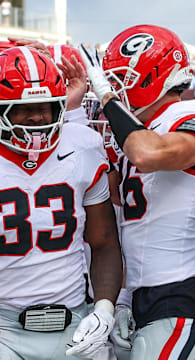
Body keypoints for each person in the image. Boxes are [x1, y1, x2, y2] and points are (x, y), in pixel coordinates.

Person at [80, 24, 195, 359]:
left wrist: (108, 99)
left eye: (118, 81)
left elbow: (150, 154)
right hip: (143, 300)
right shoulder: (138, 135)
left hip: (182, 301)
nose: (113, 90)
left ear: (151, 76)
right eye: (110, 83)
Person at [0, 46, 123, 359]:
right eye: (24, 108)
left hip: (73, 323)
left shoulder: (81, 146)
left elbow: (104, 242)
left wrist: (105, 309)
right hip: (4, 329)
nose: (39, 116)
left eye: (47, 106)